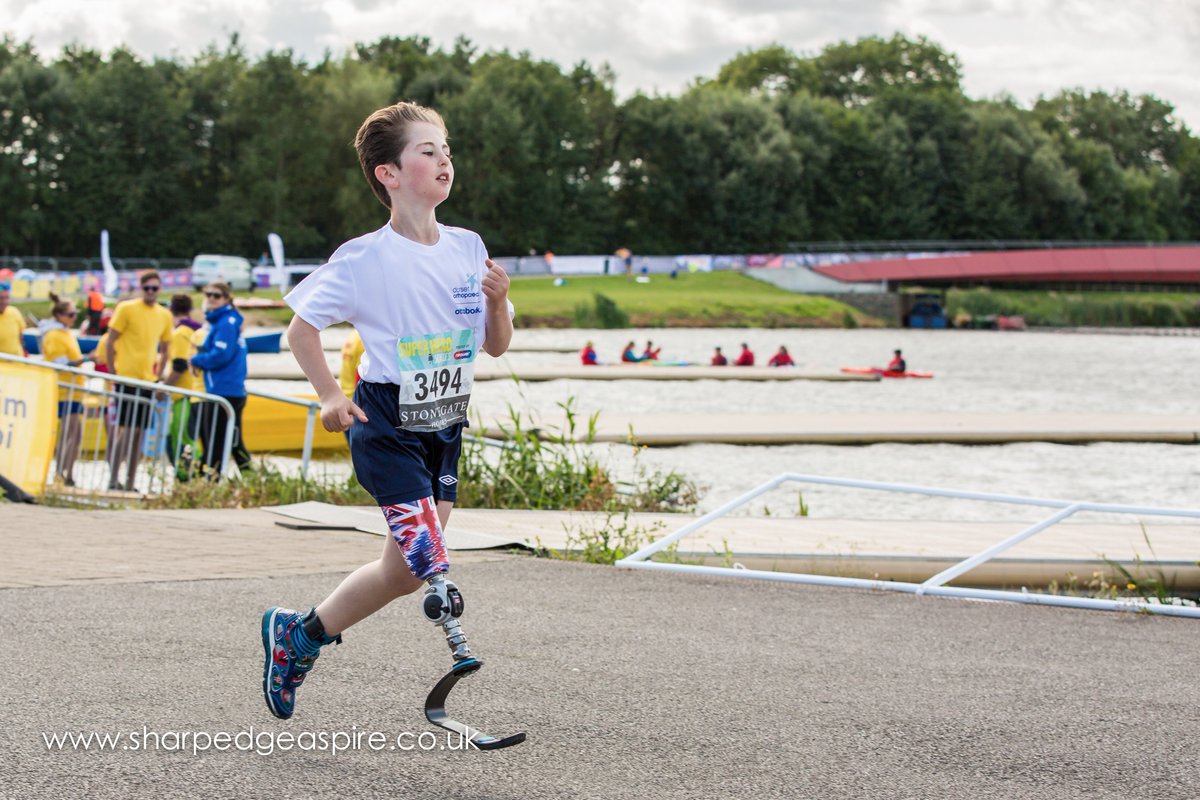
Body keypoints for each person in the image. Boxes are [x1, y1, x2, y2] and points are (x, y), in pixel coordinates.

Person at [259, 101, 515, 722]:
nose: (443, 160)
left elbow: (495, 343)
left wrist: (501, 302)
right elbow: (301, 331)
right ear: (389, 174)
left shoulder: (468, 247)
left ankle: (298, 637)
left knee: (402, 571)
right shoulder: (363, 258)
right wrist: (329, 396)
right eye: (427, 152)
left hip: (446, 424)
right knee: (429, 556)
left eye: (446, 150)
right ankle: (451, 640)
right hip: (386, 424)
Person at [105, 270, 173, 491]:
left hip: (147, 381)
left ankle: (131, 482)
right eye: (147, 288)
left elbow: (166, 347)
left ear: (160, 289)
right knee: (126, 430)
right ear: (141, 288)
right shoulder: (126, 308)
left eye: (155, 288)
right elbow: (110, 341)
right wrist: (113, 371)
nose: (151, 292)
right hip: (126, 378)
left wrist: (159, 376)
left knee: (140, 434)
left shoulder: (164, 314)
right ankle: (114, 479)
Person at [189, 282, 252, 477]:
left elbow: (221, 355)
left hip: (224, 391)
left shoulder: (226, 322)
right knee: (229, 441)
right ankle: (250, 479)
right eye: (208, 294)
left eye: (217, 295)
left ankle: (212, 482)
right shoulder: (225, 321)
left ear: (226, 299)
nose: (211, 298)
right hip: (225, 390)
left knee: (218, 442)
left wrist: (196, 360)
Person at [39, 293, 89, 486]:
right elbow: (60, 364)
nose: (73, 318)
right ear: (59, 315)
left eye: (75, 314)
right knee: (69, 434)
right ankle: (60, 474)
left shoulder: (66, 333)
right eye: (70, 314)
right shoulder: (54, 335)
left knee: (76, 435)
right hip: (63, 392)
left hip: (74, 391)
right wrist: (87, 359)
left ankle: (67, 474)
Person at [161, 293, 204, 478]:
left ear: (171, 310)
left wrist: (164, 388)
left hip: (183, 396)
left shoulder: (180, 333)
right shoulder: (197, 331)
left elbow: (179, 365)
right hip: (195, 392)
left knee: (181, 440)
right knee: (188, 438)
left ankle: (188, 479)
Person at [0, 281, 25, 356]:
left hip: (16, 362)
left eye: (7, 298)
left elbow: (20, 335)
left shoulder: (14, 312)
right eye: (1, 298)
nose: (4, 302)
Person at [339, 329, 365, 395]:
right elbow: (362, 374)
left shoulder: (355, 334)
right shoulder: (365, 338)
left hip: (345, 394)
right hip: (356, 398)